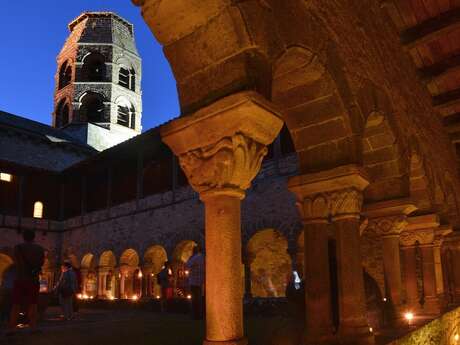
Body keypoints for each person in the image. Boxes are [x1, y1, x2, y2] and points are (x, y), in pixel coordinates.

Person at [8, 229, 45, 334]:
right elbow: (41, 263)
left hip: (20, 279)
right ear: (34, 237)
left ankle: (12, 328)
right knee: (33, 304)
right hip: (33, 280)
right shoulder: (39, 249)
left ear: (23, 237)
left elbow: (15, 263)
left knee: (16, 304)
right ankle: (33, 327)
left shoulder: (17, 248)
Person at [185, 245, 205, 320]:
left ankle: (196, 315)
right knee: (199, 298)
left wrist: (190, 257)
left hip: (194, 281)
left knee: (195, 299)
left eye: (193, 250)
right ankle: (199, 314)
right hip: (200, 280)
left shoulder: (196, 257)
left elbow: (187, 264)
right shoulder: (202, 257)